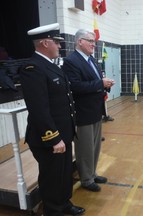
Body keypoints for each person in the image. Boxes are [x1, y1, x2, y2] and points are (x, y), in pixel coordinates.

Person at [20, 23, 85, 216]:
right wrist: (54, 138)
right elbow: (39, 109)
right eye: (56, 42)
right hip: (49, 137)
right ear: (45, 43)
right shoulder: (32, 68)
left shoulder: (50, 66)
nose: (59, 46)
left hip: (63, 133)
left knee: (64, 174)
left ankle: (64, 203)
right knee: (51, 177)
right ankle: (53, 210)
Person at [62, 29, 115, 192]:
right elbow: (75, 87)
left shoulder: (92, 60)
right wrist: (101, 84)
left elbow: (96, 82)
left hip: (96, 111)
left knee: (95, 146)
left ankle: (92, 173)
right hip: (82, 112)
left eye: (94, 41)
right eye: (90, 41)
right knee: (85, 148)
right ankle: (86, 179)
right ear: (79, 42)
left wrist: (105, 85)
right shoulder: (71, 61)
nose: (94, 44)